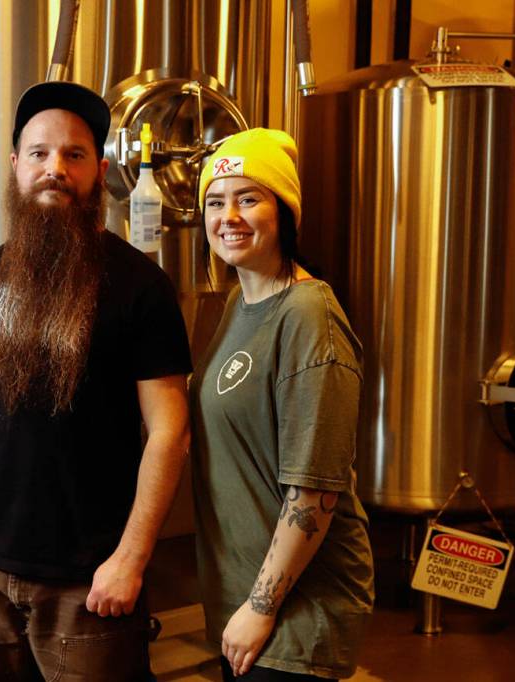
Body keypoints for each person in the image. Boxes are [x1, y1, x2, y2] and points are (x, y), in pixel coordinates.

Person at [0, 81, 192, 681]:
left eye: (74, 154)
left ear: (100, 171)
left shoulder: (141, 287)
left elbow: (170, 433)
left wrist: (131, 558)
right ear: (16, 165)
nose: (54, 169)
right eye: (39, 153)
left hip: (89, 579)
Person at [191, 128, 375, 680]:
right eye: (215, 202)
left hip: (296, 611)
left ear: (284, 211)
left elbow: (316, 488)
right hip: (245, 602)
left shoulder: (308, 314)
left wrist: (261, 606)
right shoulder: (238, 303)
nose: (229, 216)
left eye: (249, 199)